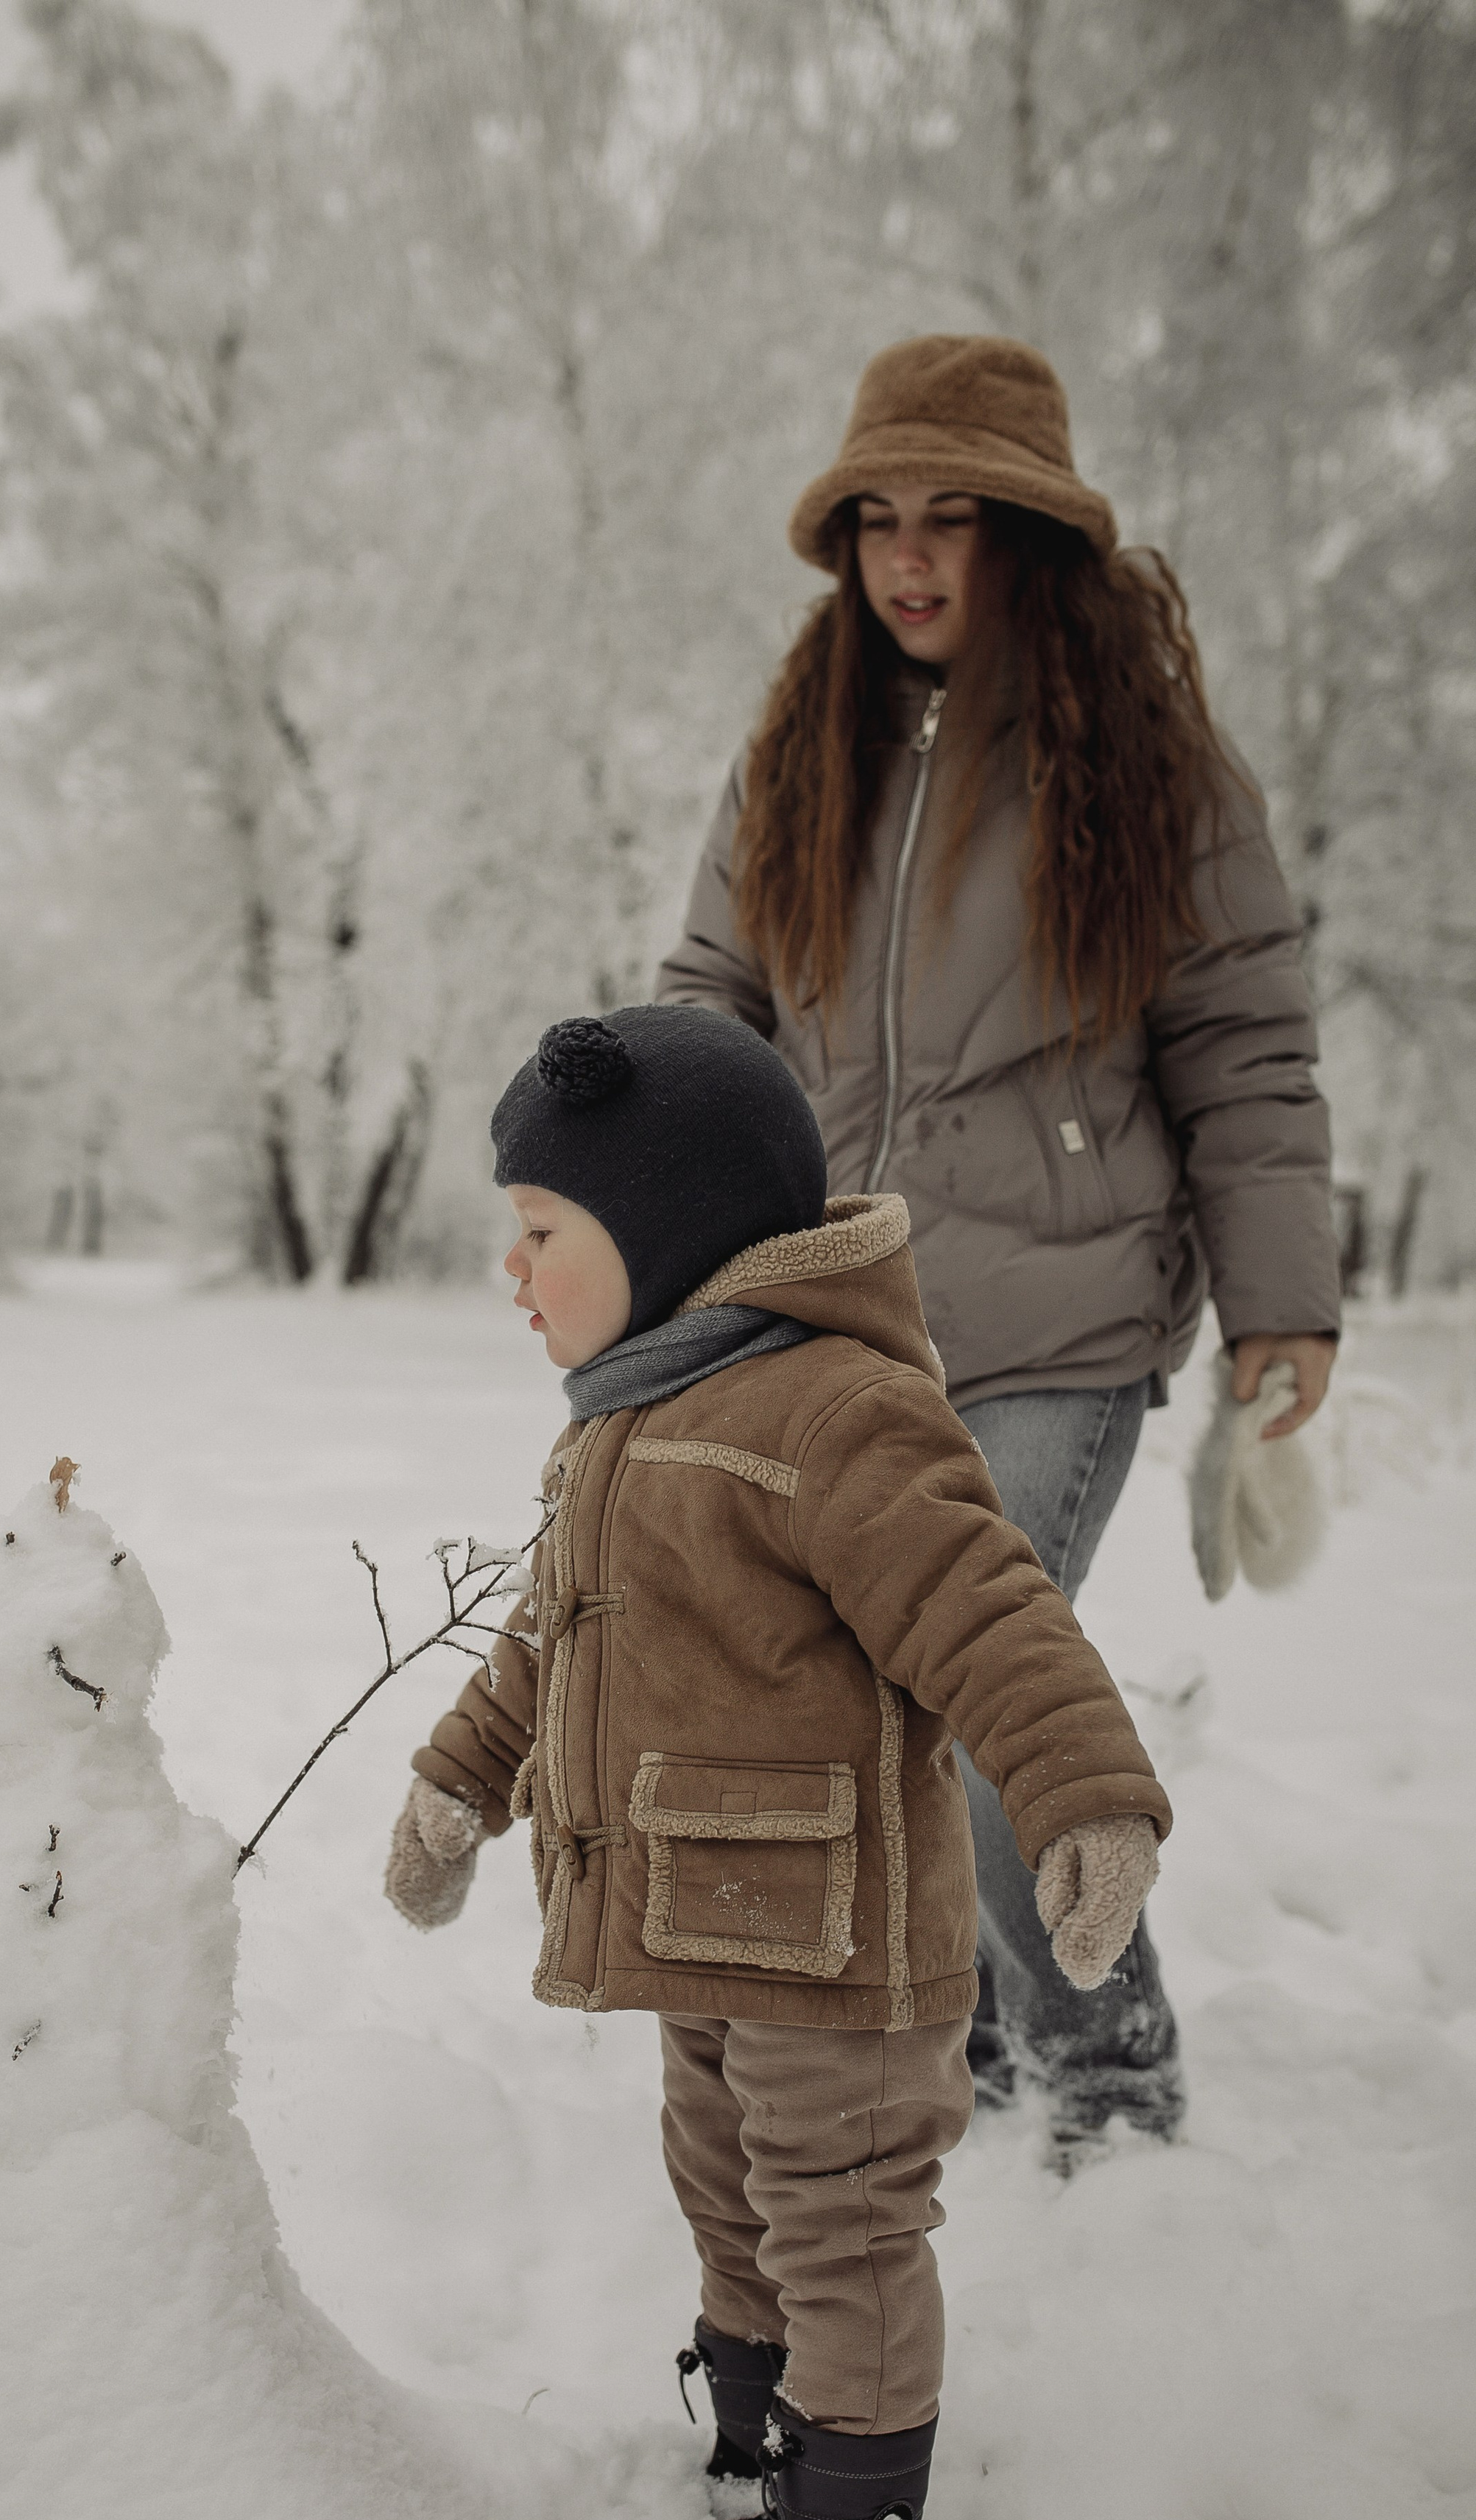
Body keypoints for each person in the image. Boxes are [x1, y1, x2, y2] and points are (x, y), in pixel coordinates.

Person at [381, 1002, 1170, 2520]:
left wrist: (1079, 1789)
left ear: (662, 1228)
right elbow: (550, 1635)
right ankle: (761, 2445)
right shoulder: (622, 1419)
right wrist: (461, 1778)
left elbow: (985, 1608)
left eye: (541, 1230)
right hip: (702, 1919)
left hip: (837, 1943)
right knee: (725, 2191)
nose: (512, 1269)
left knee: (841, 2226)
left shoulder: (832, 1413)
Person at [656, 334, 1341, 2158]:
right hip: (839, 1327)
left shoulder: (1148, 763)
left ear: (1026, 533)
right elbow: (713, 989)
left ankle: (1108, 2085)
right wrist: (644, 1166)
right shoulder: (799, 752)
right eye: (875, 516)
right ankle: (962, 2038)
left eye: (949, 515)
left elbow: (1243, 1046)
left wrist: (1278, 1303)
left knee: (978, 1703)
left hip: (1061, 1325)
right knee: (861, 1707)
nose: (905, 555)